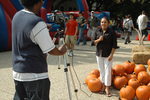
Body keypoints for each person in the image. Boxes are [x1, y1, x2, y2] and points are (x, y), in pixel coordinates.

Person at [12, 0, 67, 100]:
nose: (42, 4)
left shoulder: (17, 16)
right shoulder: (37, 23)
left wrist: (42, 27)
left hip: (18, 73)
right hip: (35, 76)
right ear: (36, 3)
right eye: (41, 2)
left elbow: (27, 30)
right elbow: (50, 49)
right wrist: (61, 51)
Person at [91, 17, 119, 97]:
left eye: (105, 22)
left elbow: (114, 45)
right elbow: (93, 42)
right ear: (100, 23)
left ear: (108, 23)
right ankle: (103, 85)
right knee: (101, 71)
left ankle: (107, 88)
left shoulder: (112, 32)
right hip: (99, 54)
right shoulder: (98, 31)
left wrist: (111, 55)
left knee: (108, 71)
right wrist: (99, 40)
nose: (103, 23)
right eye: (102, 22)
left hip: (108, 55)